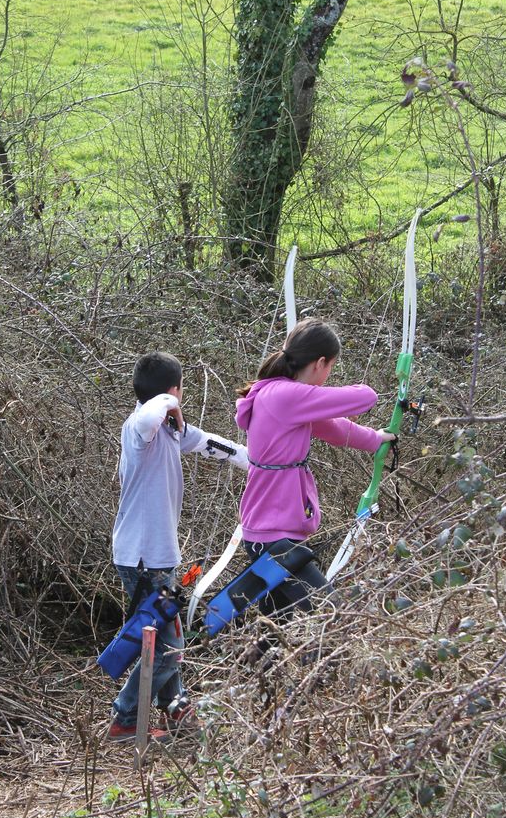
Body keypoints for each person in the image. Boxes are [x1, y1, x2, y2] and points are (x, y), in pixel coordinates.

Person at [109, 350, 248, 742]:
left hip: (156, 560)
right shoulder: (139, 428)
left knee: (164, 636)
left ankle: (176, 709)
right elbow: (151, 415)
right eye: (177, 392)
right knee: (169, 645)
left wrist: (263, 465)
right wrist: (171, 401)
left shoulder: (171, 431)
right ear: (173, 391)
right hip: (143, 560)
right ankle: (125, 717)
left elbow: (217, 445)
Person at [235, 317, 396, 624]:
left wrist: (376, 439)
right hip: (273, 539)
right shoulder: (285, 395)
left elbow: (335, 429)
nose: (329, 372)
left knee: (274, 631)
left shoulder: (283, 397)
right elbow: (366, 397)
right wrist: (344, 401)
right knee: (330, 616)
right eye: (331, 366)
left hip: (273, 534)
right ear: (321, 363)